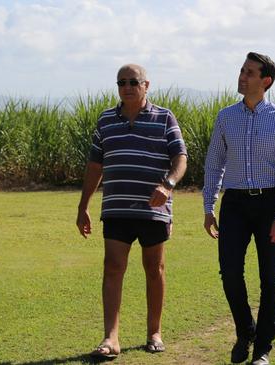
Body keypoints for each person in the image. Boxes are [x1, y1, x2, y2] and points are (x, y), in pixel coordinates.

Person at [76, 64, 187, 360]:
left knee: (155, 269)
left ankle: (154, 332)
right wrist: (83, 205)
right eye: (121, 82)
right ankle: (111, 338)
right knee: (112, 267)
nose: (127, 87)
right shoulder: (106, 120)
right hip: (116, 208)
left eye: (133, 82)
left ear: (146, 85)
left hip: (154, 210)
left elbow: (180, 157)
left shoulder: (164, 118)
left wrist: (168, 184)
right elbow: (95, 166)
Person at [203, 52, 275, 365]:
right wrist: (209, 205)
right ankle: (246, 332)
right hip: (234, 205)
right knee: (230, 273)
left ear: (265, 81)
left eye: (250, 72)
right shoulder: (225, 117)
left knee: (271, 280)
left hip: (269, 202)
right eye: (242, 70)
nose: (242, 76)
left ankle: (262, 350)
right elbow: (214, 164)